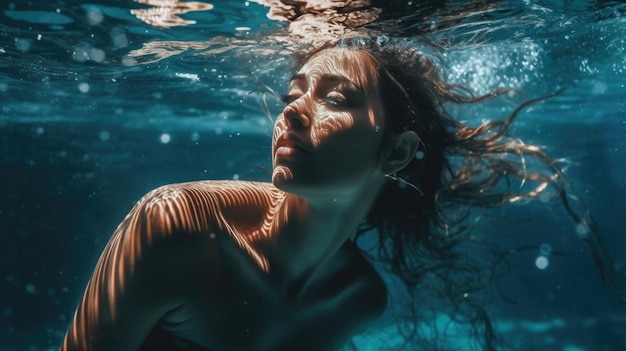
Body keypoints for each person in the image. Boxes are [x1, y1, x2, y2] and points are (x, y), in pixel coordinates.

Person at [60, 39, 622, 351]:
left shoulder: (357, 300)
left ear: (398, 152)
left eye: (336, 97)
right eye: (293, 93)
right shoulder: (176, 227)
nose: (291, 111)